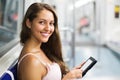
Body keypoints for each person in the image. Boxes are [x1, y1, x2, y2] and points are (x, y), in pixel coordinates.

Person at [17, 2, 84, 80]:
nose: (48, 28)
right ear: (29, 23)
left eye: (51, 23)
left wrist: (70, 74)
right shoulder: (31, 62)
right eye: (42, 22)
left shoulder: (40, 48)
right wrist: (67, 78)